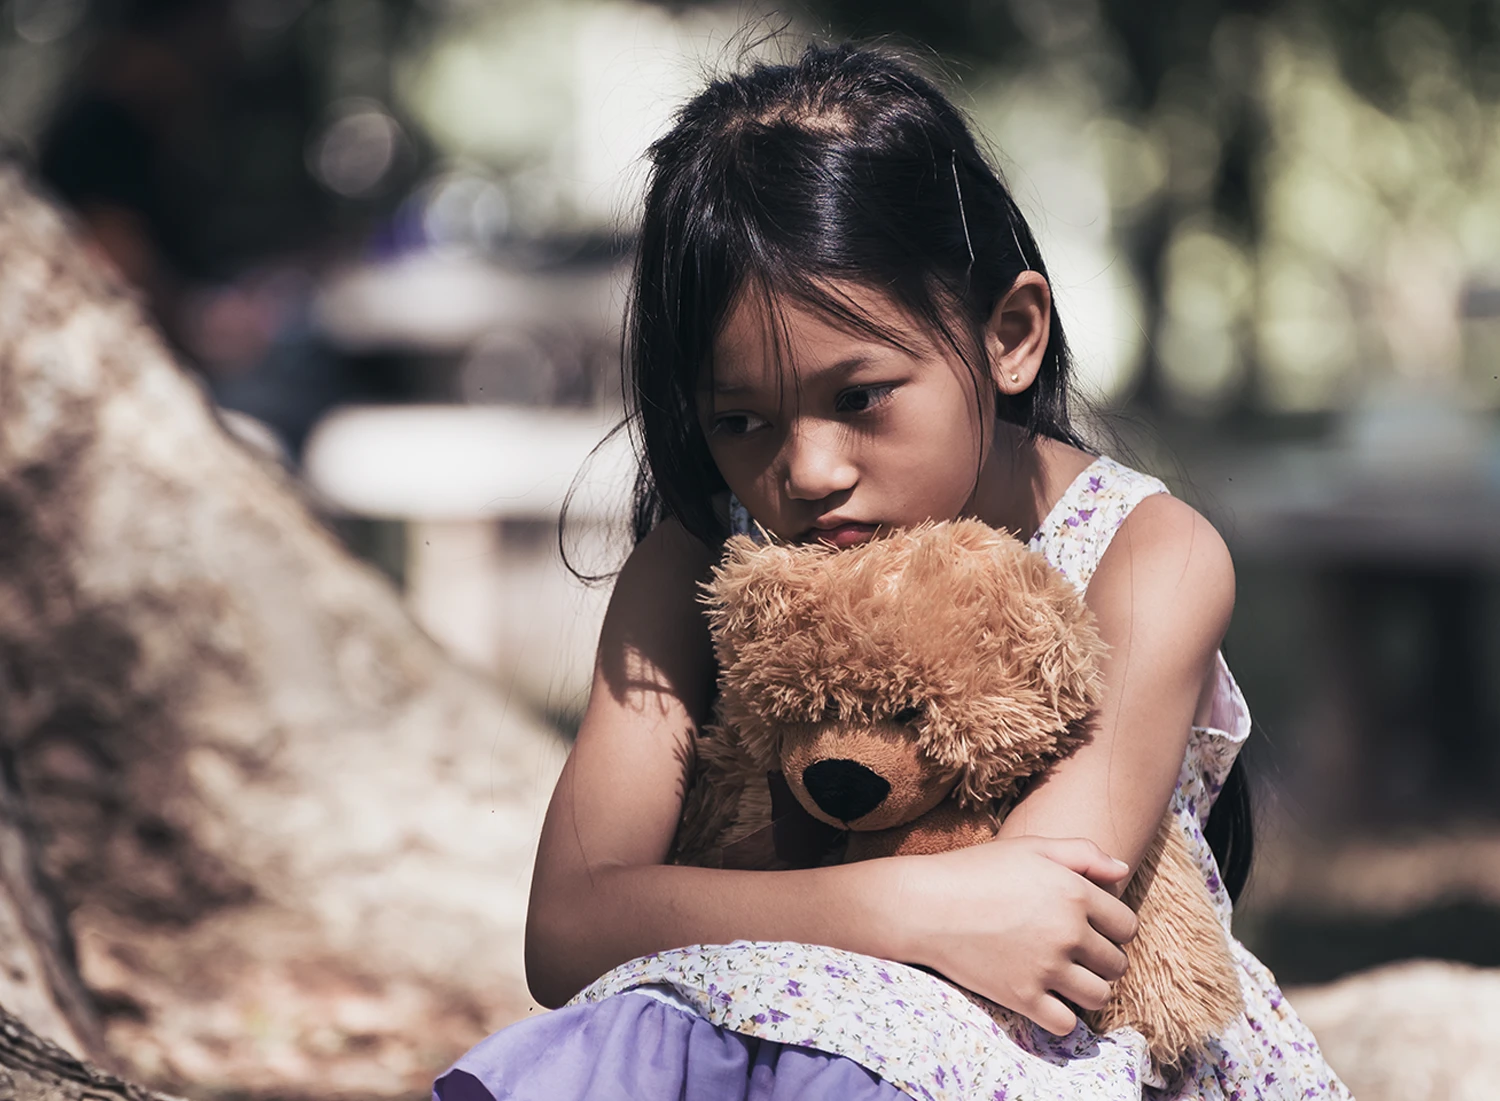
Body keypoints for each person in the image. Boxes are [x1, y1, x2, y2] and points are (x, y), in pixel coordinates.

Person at [435, 44, 1350, 1101]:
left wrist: (703, 907)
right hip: (750, 1039)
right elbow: (568, 927)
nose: (806, 472)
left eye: (860, 396)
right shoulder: (697, 565)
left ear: (1008, 336)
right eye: (740, 421)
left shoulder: (1148, 554)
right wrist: (905, 909)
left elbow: (1040, 916)